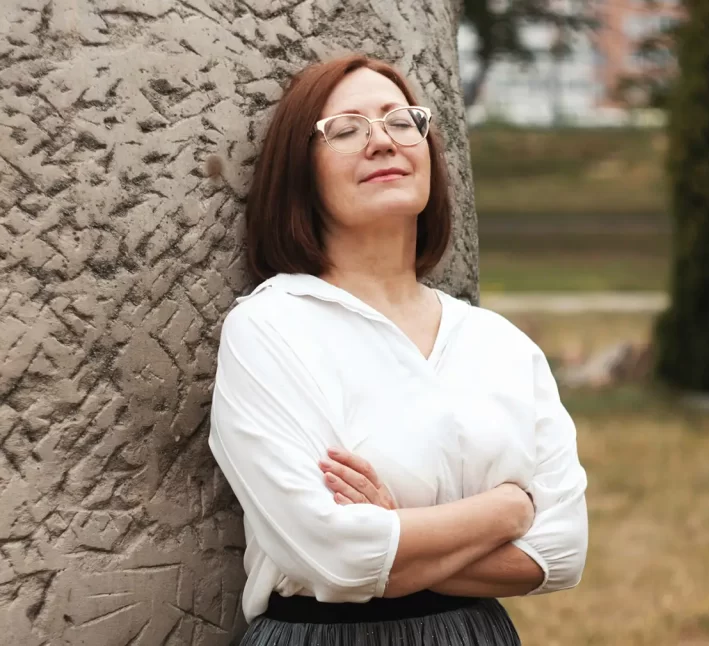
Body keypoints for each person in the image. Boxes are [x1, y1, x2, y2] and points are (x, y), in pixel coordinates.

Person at [208, 54, 588, 646]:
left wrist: (391, 531)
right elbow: (327, 554)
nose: (382, 141)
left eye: (400, 121)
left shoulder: (500, 344)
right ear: (300, 173)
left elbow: (560, 554)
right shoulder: (270, 328)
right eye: (347, 128)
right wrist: (506, 512)